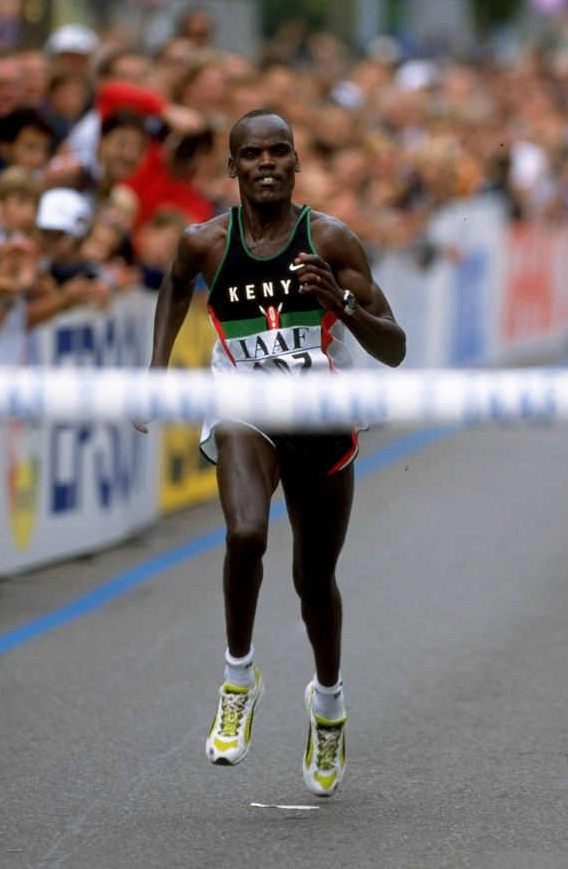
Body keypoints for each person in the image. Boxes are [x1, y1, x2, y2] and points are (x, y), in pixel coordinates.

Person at [136, 109, 405, 796]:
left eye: (278, 151)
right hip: (244, 410)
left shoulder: (332, 238)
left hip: (321, 417)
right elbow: (172, 287)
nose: (265, 163)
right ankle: (237, 678)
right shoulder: (204, 242)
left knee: (314, 580)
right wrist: (155, 372)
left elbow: (394, 348)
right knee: (245, 533)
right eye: (250, 153)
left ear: (295, 164)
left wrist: (339, 301)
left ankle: (329, 705)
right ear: (232, 168)